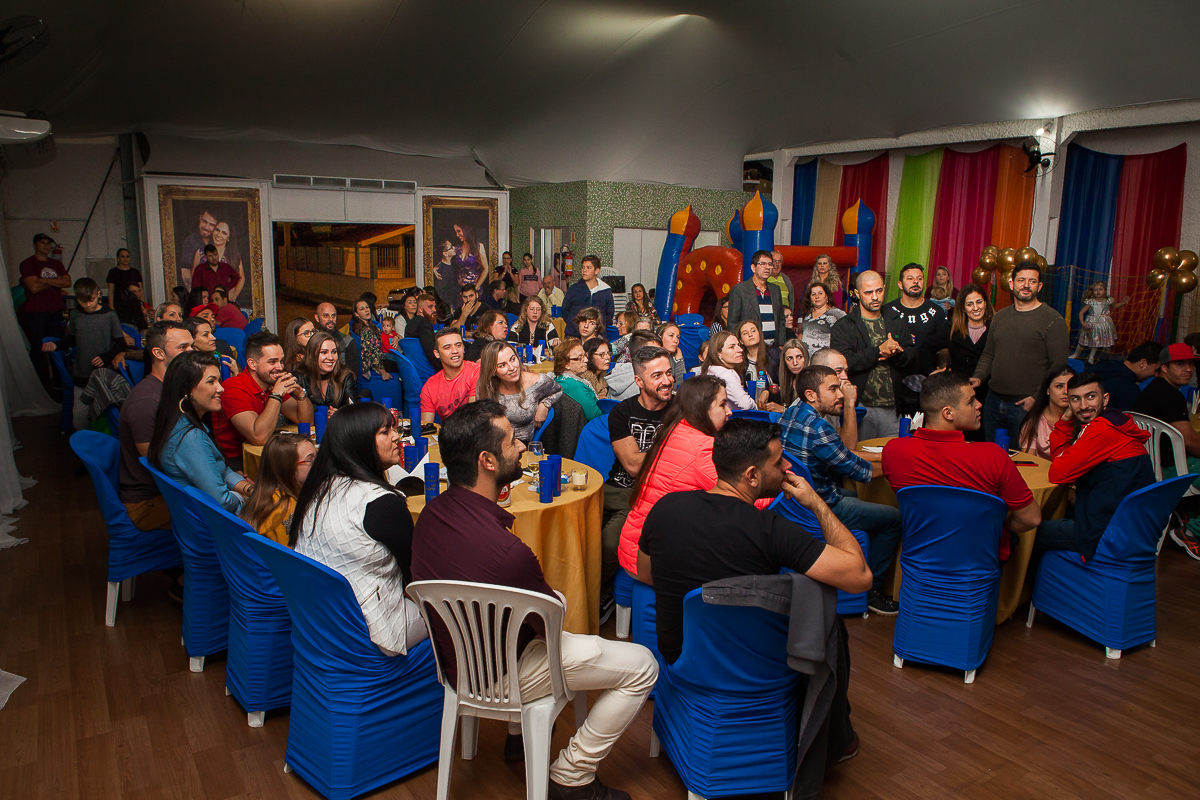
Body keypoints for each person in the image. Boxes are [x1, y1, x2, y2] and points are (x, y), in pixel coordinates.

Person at [410, 401, 656, 800]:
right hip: (501, 673)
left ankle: (515, 736)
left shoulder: (430, 514)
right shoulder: (508, 554)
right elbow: (547, 629)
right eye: (512, 440)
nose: (523, 446)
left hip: (456, 662)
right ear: (487, 461)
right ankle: (571, 775)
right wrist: (554, 598)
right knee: (643, 666)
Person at [637, 420, 869, 784]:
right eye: (779, 463)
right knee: (829, 626)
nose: (788, 468)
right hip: (755, 669)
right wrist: (817, 505)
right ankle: (835, 738)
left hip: (679, 653)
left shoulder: (666, 507)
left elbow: (646, 573)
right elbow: (859, 575)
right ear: (751, 475)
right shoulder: (770, 529)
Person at [290, 403, 428, 655]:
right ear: (360, 443)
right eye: (385, 432)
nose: (397, 436)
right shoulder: (380, 503)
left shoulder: (320, 487)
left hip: (319, 616)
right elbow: (417, 576)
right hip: (370, 628)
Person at [780, 366, 902, 614]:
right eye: (833, 389)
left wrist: (885, 457)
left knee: (857, 497)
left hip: (792, 501)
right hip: (822, 504)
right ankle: (873, 591)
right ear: (812, 395)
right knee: (894, 519)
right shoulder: (820, 428)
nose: (841, 394)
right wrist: (898, 464)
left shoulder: (791, 413)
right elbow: (861, 473)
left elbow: (842, 454)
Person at [883, 371, 1042, 559]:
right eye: (971, 401)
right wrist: (996, 518)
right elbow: (1031, 518)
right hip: (976, 564)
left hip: (919, 561)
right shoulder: (992, 456)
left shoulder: (893, 451)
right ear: (948, 413)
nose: (979, 405)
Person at [618, 375, 730, 579]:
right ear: (702, 408)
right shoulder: (701, 447)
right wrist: (775, 488)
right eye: (723, 404)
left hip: (634, 549)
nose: (729, 412)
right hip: (653, 560)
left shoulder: (676, 429)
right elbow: (738, 496)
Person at [1038, 373, 1154, 559]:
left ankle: (1035, 587)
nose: (1083, 406)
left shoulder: (1102, 430)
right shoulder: (1115, 420)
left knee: (1026, 530)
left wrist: (1066, 421)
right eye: (1075, 399)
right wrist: (1067, 421)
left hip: (1110, 531)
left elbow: (1058, 473)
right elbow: (1061, 460)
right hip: (1129, 522)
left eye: (1090, 397)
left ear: (1105, 399)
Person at [970, 262, 1069, 443]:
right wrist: (978, 377)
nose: (1025, 285)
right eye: (1021, 280)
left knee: (1021, 460)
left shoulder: (1053, 320)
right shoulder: (1000, 317)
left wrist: (1036, 398)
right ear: (1011, 284)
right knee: (991, 458)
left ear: (1039, 287)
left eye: (1032, 281)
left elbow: (1059, 367)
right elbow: (988, 355)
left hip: (1026, 405)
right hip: (992, 401)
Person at [603, 345, 675, 590]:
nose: (667, 381)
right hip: (616, 488)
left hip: (652, 494)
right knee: (574, 526)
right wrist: (671, 444)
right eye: (657, 376)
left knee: (609, 541)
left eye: (669, 373)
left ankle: (601, 594)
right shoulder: (622, 412)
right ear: (639, 381)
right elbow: (632, 465)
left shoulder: (681, 411)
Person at [149, 351, 253, 512]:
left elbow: (221, 469)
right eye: (211, 382)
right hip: (218, 525)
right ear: (187, 390)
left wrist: (247, 488)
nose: (221, 388)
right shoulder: (190, 438)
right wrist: (245, 498)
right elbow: (222, 502)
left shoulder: (182, 421)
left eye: (219, 380)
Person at [118, 321, 193, 531]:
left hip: (170, 491)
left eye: (192, 346)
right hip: (148, 503)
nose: (191, 352)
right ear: (159, 353)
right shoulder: (147, 402)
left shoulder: (171, 390)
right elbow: (159, 465)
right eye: (183, 348)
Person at [831, 270, 915, 439]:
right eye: (868, 292)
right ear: (857, 294)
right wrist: (878, 351)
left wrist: (896, 353)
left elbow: (912, 357)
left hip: (893, 407)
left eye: (879, 291)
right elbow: (845, 364)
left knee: (891, 456)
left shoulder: (895, 320)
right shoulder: (844, 326)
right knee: (861, 457)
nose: (875, 297)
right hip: (861, 407)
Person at [212, 332, 313, 470]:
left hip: (267, 453)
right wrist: (276, 394)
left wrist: (300, 394)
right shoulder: (234, 388)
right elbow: (258, 437)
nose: (280, 367)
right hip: (233, 462)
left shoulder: (270, 383)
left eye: (281, 361)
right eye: (272, 362)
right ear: (252, 364)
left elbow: (306, 421)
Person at [41, 278, 126, 431]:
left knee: (106, 415)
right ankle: (86, 444)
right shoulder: (75, 315)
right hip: (81, 373)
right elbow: (70, 339)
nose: (88, 305)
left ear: (98, 293)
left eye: (91, 300)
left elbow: (120, 343)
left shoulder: (109, 315)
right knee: (79, 418)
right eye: (82, 301)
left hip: (103, 373)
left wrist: (105, 357)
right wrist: (56, 344)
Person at [476, 341, 562, 442]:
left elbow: (558, 390)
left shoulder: (536, 381)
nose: (512, 368)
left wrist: (545, 405)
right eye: (502, 365)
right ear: (493, 371)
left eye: (513, 359)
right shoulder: (485, 386)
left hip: (520, 447)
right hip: (491, 443)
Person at [240, 432, 316, 545]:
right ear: (288, 469)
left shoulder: (266, 495)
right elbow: (290, 553)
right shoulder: (286, 509)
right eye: (309, 460)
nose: (318, 464)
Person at [18, 233, 72, 388]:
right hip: (35, 313)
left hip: (55, 312)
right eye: (42, 243)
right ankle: (39, 386)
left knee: (57, 347)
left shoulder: (56, 264)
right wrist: (56, 282)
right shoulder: (28, 264)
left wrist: (44, 280)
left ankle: (59, 383)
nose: (46, 246)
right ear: (35, 245)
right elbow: (33, 287)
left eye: (48, 243)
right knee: (37, 349)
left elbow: (67, 282)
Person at [926, 283, 993, 405]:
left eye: (979, 302)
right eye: (969, 304)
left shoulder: (995, 327)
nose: (976, 308)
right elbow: (925, 348)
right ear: (962, 307)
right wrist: (933, 373)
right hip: (960, 395)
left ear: (985, 303)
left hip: (989, 395)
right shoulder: (951, 329)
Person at [420, 328, 480, 423]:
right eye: (447, 347)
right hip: (449, 435)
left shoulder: (477, 372)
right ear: (437, 354)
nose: (455, 351)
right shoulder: (429, 386)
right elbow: (426, 427)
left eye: (458, 345)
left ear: (463, 348)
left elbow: (473, 419)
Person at [727, 250, 784, 347]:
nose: (767, 267)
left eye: (770, 264)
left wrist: (781, 345)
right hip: (750, 348)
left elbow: (781, 320)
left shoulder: (775, 290)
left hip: (774, 348)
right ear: (753, 268)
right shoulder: (740, 290)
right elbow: (733, 323)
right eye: (763, 264)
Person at [1018, 367, 1076, 460]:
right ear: (1048, 390)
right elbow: (1027, 463)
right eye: (1059, 386)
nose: (1065, 392)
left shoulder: (1083, 421)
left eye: (1070, 387)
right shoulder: (1033, 422)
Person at [810, 347, 861, 448]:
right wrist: (849, 403)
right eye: (838, 371)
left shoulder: (832, 399)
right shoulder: (815, 403)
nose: (845, 377)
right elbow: (848, 449)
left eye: (846, 371)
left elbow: (841, 444)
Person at [295, 331, 358, 409]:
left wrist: (339, 414)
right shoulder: (300, 378)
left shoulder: (345, 377)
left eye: (334, 352)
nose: (331, 358)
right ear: (311, 355)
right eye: (324, 352)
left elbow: (352, 411)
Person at [1093, 341, 1160, 412]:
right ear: (1142, 363)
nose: (1156, 375)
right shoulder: (1129, 389)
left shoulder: (1105, 369)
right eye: (1155, 370)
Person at [699, 330, 757, 411]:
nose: (740, 349)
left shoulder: (711, 369)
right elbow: (745, 404)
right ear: (718, 353)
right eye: (732, 347)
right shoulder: (726, 374)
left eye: (739, 345)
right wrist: (755, 405)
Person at [1073, 281, 1128, 364]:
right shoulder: (1091, 301)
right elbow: (1081, 312)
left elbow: (1116, 306)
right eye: (1095, 290)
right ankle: (1075, 354)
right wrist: (1083, 323)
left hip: (1104, 323)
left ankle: (1093, 357)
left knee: (1098, 340)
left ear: (1105, 291)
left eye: (1100, 289)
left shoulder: (1108, 300)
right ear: (1092, 291)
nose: (1098, 292)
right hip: (1092, 322)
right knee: (1083, 339)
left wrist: (1124, 302)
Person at [562, 255, 614, 336]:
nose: (584, 270)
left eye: (588, 268)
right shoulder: (574, 289)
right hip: (574, 334)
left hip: (597, 335)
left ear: (596, 271)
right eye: (583, 267)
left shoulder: (605, 290)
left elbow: (609, 314)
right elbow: (565, 310)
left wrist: (598, 328)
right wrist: (575, 325)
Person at [554, 338, 603, 421]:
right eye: (580, 358)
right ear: (566, 364)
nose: (586, 360)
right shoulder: (573, 385)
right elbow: (595, 416)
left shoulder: (561, 379)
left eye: (584, 355)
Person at [607, 330, 663, 402]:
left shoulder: (618, 372)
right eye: (655, 352)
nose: (662, 356)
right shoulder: (645, 382)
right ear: (640, 355)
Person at [314, 302, 363, 378]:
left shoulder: (348, 342)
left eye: (333, 316)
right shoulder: (312, 340)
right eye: (326, 316)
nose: (331, 319)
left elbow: (352, 375)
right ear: (317, 318)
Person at [351, 297, 393, 381]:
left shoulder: (370, 326)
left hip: (382, 355)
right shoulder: (366, 330)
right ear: (356, 314)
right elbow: (370, 353)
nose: (366, 310)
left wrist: (396, 337)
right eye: (362, 309)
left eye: (367, 307)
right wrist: (383, 372)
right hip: (379, 362)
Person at [762, 338, 807, 412]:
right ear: (784, 361)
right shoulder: (788, 380)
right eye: (789, 358)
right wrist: (767, 391)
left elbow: (809, 415)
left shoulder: (812, 382)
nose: (795, 363)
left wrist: (784, 410)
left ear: (806, 358)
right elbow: (777, 389)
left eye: (799, 357)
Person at [799, 281, 846, 354]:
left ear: (826, 296)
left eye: (820, 293)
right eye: (813, 294)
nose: (817, 296)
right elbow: (803, 334)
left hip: (827, 359)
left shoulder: (837, 314)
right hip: (807, 360)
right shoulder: (807, 315)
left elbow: (845, 338)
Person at [179, 211, 217, 289]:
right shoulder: (190, 241)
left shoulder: (218, 241)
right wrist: (193, 292)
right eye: (204, 221)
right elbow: (185, 269)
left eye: (211, 225)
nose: (206, 227)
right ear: (200, 218)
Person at [736, 319, 780, 385]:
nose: (750, 334)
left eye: (753, 331)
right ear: (741, 341)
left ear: (759, 334)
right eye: (745, 333)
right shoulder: (739, 361)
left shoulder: (775, 354)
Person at [403, 293, 440, 371]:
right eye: (430, 307)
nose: (434, 310)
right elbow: (430, 352)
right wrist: (442, 370)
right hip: (427, 369)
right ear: (420, 309)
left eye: (434, 306)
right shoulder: (424, 324)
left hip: (416, 369)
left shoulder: (411, 323)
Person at [451, 223, 489, 292]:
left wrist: (476, 287)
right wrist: (436, 267)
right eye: (456, 232)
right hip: (459, 290)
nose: (457, 235)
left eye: (458, 231)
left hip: (474, 289)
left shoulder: (479, 247)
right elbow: (445, 256)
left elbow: (486, 269)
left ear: (466, 229)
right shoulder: (457, 248)